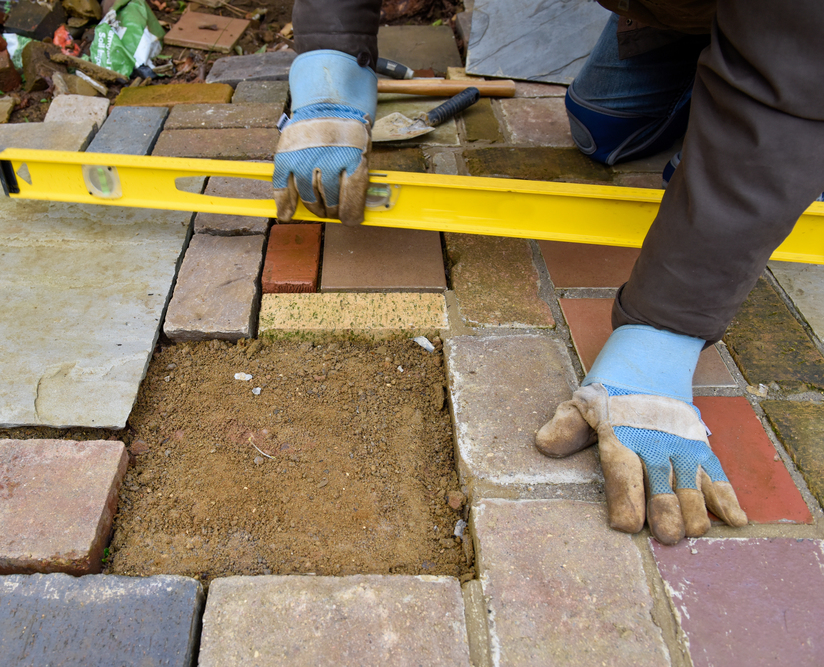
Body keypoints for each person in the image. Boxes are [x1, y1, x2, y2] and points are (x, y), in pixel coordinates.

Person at [272, 0, 824, 545]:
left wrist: (663, 339)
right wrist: (331, 78)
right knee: (601, 128)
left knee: (772, 138)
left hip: (800, 41)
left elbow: (784, 94)